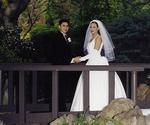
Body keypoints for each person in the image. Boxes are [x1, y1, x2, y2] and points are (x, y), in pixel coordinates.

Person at [70, 19, 126, 111]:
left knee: (100, 84)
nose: (92, 29)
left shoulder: (99, 38)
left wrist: (80, 59)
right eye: (90, 27)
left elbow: (95, 53)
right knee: (87, 85)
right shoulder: (90, 39)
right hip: (90, 63)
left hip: (98, 62)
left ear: (98, 28)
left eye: (94, 27)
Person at [51, 19, 79, 111]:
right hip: (59, 67)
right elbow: (58, 54)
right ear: (59, 26)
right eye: (63, 26)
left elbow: (68, 52)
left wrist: (74, 58)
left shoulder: (67, 37)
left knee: (64, 89)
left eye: (67, 26)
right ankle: (59, 110)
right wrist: (71, 60)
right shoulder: (56, 37)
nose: (66, 28)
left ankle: (62, 108)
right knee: (59, 89)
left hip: (65, 67)